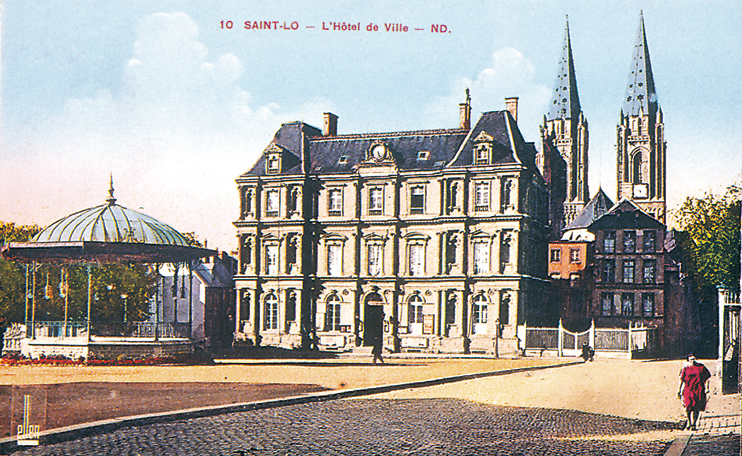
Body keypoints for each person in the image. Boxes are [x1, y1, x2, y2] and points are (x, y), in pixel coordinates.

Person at [677, 354, 711, 430]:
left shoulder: (701, 367)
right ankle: (689, 422)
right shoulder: (685, 369)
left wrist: (707, 388)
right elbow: (681, 380)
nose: (692, 361)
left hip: (699, 389)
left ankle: (694, 424)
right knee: (688, 406)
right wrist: (679, 390)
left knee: (696, 407)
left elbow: (707, 378)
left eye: (693, 359)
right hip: (688, 389)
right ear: (688, 360)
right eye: (691, 359)